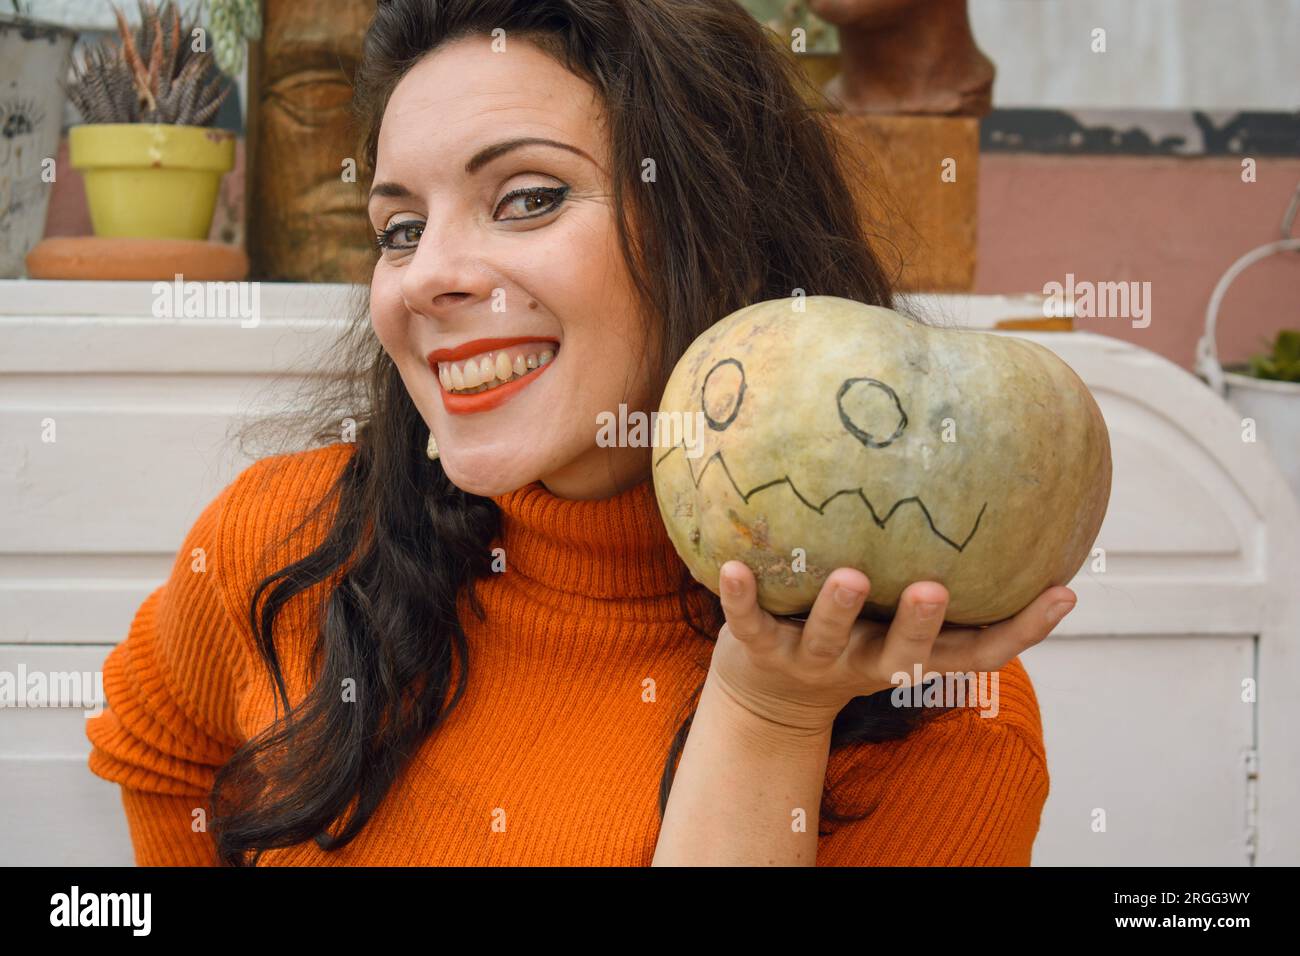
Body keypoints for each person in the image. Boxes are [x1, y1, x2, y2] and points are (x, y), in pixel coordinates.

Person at [86, 0, 1074, 867]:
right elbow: (158, 748)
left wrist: (772, 710)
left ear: (712, 225)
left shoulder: (934, 703)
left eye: (528, 198)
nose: (427, 274)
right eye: (399, 228)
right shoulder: (280, 536)